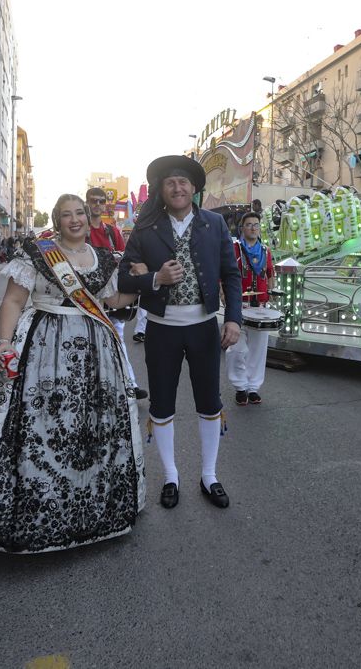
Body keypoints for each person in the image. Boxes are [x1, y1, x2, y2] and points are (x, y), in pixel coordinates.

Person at [0, 194, 145, 553]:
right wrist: (2, 342)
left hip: (94, 352)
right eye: (66, 215)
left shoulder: (104, 258)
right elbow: (13, 301)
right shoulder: (37, 253)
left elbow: (111, 302)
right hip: (42, 346)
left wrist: (141, 282)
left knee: (88, 429)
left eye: (79, 213)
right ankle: (41, 512)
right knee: (41, 428)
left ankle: (87, 512)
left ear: (87, 217)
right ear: (57, 221)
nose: (74, 220)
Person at [118, 155, 242, 511]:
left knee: (209, 403)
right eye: (170, 182)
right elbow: (124, 276)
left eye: (183, 182)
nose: (177, 187)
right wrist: (155, 278)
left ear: (194, 189)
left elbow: (231, 275)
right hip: (161, 331)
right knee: (162, 404)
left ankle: (209, 475)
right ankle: (171, 475)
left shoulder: (215, 223)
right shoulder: (146, 228)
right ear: (161, 189)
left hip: (203, 328)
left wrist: (233, 319)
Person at [85, 185, 148, 400]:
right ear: (87, 203)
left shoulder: (112, 232)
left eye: (101, 201)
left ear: (105, 205)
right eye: (93, 200)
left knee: (117, 341)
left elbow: (125, 260)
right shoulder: (79, 230)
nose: (97, 205)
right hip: (84, 300)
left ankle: (129, 384)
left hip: (111, 296)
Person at [226, 211, 275, 406]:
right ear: (242, 228)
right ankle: (240, 386)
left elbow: (270, 274)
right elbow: (225, 273)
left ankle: (253, 388)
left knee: (258, 349)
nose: (253, 228)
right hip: (239, 305)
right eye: (249, 224)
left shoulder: (265, 250)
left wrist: (271, 291)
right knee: (237, 348)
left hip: (261, 306)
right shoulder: (233, 249)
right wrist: (224, 294)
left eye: (256, 224)